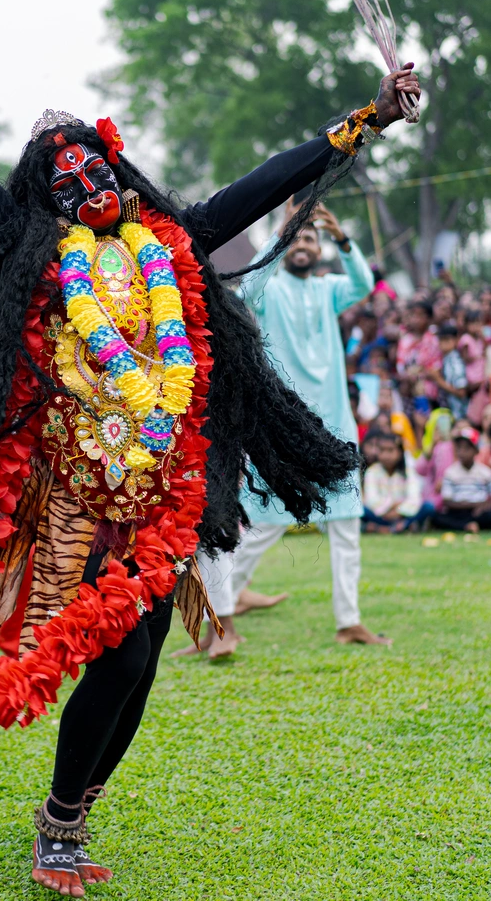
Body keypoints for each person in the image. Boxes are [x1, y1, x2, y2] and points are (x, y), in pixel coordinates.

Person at [0, 27, 419, 894]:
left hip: (155, 488)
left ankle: (70, 815)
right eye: (64, 180)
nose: (86, 184)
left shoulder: (172, 237)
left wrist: (366, 119)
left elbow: (263, 184)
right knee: (124, 658)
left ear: (118, 171)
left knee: (141, 660)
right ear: (46, 198)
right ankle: (57, 828)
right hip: (72, 490)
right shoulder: (30, 247)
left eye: (95, 168)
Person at [188, 200, 387, 659]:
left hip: (335, 429)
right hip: (282, 431)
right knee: (260, 529)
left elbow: (363, 283)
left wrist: (343, 239)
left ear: (319, 251)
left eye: (310, 239)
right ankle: (222, 617)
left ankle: (349, 622)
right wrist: (282, 233)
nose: (303, 244)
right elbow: (249, 286)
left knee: (346, 527)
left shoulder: (330, 289)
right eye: (297, 239)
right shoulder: (270, 291)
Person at [362, 431, 429, 533]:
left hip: (402, 516)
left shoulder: (408, 471)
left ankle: (386, 528)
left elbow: (415, 499)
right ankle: (402, 527)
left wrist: (397, 512)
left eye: (390, 450)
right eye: (382, 450)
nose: (385, 455)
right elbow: (371, 500)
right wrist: (393, 504)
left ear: (400, 452)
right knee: (362, 510)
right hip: (380, 516)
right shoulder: (372, 471)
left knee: (428, 507)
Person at [430, 427, 491, 532]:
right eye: (459, 448)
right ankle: (467, 526)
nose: (461, 452)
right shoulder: (450, 472)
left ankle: (468, 525)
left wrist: (482, 506)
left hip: (478, 512)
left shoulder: (485, 472)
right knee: (436, 517)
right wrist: (472, 504)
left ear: (476, 451)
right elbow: (447, 501)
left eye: (466, 448)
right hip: (458, 511)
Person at [429, 325, 468, 419]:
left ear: (454, 341)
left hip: (458, 414)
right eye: (440, 339)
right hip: (449, 413)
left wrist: (438, 380)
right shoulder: (446, 359)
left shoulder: (455, 362)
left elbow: (461, 392)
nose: (441, 343)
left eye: (445, 340)